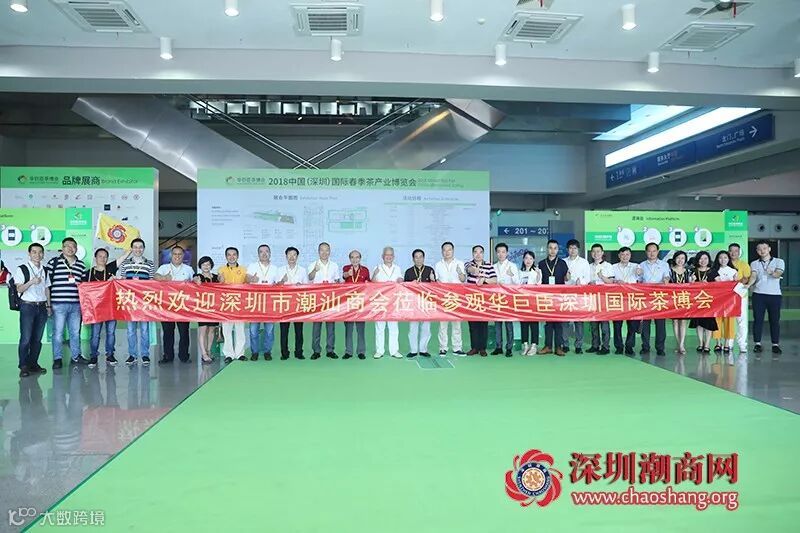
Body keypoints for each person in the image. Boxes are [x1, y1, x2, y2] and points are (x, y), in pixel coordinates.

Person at [45, 237, 88, 369]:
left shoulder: (81, 265)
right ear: (62, 248)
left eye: (73, 246)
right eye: (67, 246)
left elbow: (84, 287)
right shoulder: (54, 262)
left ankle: (76, 356)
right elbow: (47, 285)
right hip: (58, 304)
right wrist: (48, 305)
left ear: (76, 248)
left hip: (76, 305)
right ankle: (57, 358)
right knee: (58, 333)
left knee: (75, 333)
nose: (70, 248)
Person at [85, 247, 131, 367]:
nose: (102, 258)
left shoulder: (110, 269)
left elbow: (122, 258)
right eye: (100, 256)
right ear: (95, 258)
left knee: (111, 333)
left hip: (111, 307)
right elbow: (84, 291)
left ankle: (110, 355)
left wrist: (129, 249)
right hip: (96, 309)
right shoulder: (88, 273)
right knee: (95, 334)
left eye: (105, 256)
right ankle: (93, 356)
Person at [117, 238, 156, 365]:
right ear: (132, 249)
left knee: (144, 330)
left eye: (140, 247)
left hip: (144, 302)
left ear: (143, 249)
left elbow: (152, 282)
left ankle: (145, 355)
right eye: (135, 247)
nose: (138, 249)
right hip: (130, 302)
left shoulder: (149, 264)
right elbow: (123, 280)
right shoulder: (125, 263)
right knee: (130, 330)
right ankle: (132, 355)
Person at [153, 245, 195, 364]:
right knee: (167, 331)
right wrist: (163, 278)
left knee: (184, 332)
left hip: (183, 306)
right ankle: (168, 356)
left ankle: (184, 356)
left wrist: (192, 282)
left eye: (180, 254)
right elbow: (155, 277)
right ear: (171, 255)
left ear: (183, 255)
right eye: (175, 254)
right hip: (167, 306)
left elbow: (195, 283)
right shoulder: (164, 267)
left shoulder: (188, 269)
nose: (177, 256)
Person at [16, 243, 51, 378]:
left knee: (37, 339)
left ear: (43, 254)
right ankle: (23, 366)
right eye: (34, 252)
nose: (37, 255)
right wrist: (31, 282)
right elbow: (19, 289)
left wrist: (48, 306)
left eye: (40, 252)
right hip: (27, 307)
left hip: (41, 307)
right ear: (29, 254)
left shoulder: (45, 270)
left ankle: (33, 363)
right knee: (26, 338)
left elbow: (47, 289)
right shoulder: (22, 269)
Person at [749, 240, 785, 357]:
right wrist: (748, 285)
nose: (762, 251)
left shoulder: (779, 261)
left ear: (769, 249)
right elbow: (753, 276)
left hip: (774, 295)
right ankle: (757, 343)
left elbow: (778, 274)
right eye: (759, 249)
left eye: (764, 248)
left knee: (774, 320)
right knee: (758, 320)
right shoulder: (754, 263)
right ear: (757, 251)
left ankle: (775, 344)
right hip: (758, 295)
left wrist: (772, 273)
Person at [308, 242, 341, 360]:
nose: (324, 252)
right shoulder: (313, 264)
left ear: (329, 252)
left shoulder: (334, 266)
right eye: (322, 250)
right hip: (317, 300)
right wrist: (315, 270)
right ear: (318, 252)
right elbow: (310, 278)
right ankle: (316, 351)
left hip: (330, 299)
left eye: (327, 250)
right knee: (316, 326)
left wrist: (337, 284)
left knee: (331, 326)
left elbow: (337, 281)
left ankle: (330, 350)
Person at [638, 242, 671, 356]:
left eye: (654, 251)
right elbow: (638, 281)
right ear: (646, 252)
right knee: (645, 324)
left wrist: (666, 279)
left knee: (660, 324)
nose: (651, 253)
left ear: (658, 251)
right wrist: (638, 275)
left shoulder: (664, 264)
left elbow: (667, 276)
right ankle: (645, 346)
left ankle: (660, 348)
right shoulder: (641, 265)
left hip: (659, 296)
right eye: (649, 251)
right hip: (646, 297)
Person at [246, 244, 278, 361]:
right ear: (258, 254)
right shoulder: (252, 266)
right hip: (255, 302)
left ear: (270, 253)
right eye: (261, 252)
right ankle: (254, 352)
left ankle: (267, 351)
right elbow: (246, 279)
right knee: (253, 330)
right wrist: (251, 279)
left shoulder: (275, 268)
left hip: (270, 304)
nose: (264, 254)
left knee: (269, 330)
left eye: (266, 251)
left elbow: (279, 285)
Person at [434, 241, 467, 356]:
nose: (447, 252)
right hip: (443, 297)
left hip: (456, 297)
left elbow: (463, 280)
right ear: (442, 252)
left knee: (456, 324)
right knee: (442, 325)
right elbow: (436, 280)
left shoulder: (459, 263)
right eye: (444, 250)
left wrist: (460, 273)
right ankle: (443, 348)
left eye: (449, 250)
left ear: (453, 251)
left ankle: (457, 348)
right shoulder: (438, 265)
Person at [538, 239, 569, 356]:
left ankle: (558, 347)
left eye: (555, 248)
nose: (552, 250)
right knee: (548, 323)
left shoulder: (562, 263)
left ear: (558, 250)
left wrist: (569, 276)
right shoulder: (541, 263)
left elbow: (566, 279)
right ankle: (548, 346)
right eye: (550, 248)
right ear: (547, 249)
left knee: (558, 323)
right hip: (546, 297)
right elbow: (538, 280)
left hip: (559, 297)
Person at [465, 245, 497, 357]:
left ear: (483, 254)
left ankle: (482, 348)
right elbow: (470, 270)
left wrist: (484, 280)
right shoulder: (468, 264)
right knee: (473, 324)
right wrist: (476, 270)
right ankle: (474, 347)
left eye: (480, 252)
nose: (478, 254)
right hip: (471, 299)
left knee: (483, 325)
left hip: (484, 299)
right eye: (475, 252)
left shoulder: (489, 266)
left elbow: (494, 280)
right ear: (472, 254)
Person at [276, 246, 308, 360]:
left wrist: (301, 286)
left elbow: (307, 287)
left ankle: (299, 352)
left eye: (294, 255)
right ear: (286, 256)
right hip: (284, 304)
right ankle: (284, 353)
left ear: (297, 257)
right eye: (289, 254)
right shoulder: (280, 270)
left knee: (299, 331)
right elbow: (276, 286)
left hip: (298, 304)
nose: (292, 257)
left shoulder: (302, 270)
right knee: (284, 331)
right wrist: (282, 281)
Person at [372, 246, 403, 359]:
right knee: (380, 327)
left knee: (393, 327)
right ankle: (379, 351)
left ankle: (394, 351)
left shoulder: (397, 268)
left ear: (393, 257)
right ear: (382, 256)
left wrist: (400, 280)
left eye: (391, 255)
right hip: (380, 300)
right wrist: (374, 275)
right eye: (386, 255)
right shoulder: (377, 268)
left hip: (393, 301)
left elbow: (401, 281)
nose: (388, 257)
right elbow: (372, 283)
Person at [218, 246, 248, 363]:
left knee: (240, 329)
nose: (232, 257)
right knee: (227, 330)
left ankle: (240, 353)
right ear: (226, 257)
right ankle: (229, 354)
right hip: (226, 303)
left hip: (240, 303)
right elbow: (219, 283)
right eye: (229, 255)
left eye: (234, 254)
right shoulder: (221, 269)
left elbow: (247, 284)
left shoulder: (243, 269)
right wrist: (220, 279)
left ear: (237, 256)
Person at [405, 249, 436, 358]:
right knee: (413, 328)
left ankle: (423, 349)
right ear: (413, 259)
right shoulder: (409, 272)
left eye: (420, 257)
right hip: (413, 303)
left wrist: (433, 280)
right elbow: (404, 288)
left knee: (426, 327)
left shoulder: (429, 270)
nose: (418, 259)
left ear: (424, 258)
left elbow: (436, 288)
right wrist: (410, 284)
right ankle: (413, 350)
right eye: (416, 257)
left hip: (426, 302)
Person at [611, 246, 641, 356]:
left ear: (630, 255)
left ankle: (629, 346)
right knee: (617, 325)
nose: (625, 256)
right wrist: (615, 281)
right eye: (622, 254)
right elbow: (610, 280)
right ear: (619, 256)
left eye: (627, 254)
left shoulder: (636, 266)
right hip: (617, 298)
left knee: (632, 324)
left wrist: (639, 272)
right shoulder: (613, 267)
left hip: (631, 298)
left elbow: (640, 277)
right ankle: (619, 346)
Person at [493, 242, 520, 357]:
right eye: (499, 252)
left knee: (509, 325)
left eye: (503, 252)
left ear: (507, 253)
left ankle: (509, 348)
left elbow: (518, 283)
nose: (501, 254)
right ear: (496, 253)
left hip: (508, 298)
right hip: (496, 298)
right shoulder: (493, 267)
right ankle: (498, 347)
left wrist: (512, 275)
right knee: (497, 324)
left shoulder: (512, 266)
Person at [564, 239, 591, 354]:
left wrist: (581, 282)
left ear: (578, 249)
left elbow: (588, 278)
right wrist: (566, 279)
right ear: (567, 249)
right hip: (565, 295)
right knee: (564, 321)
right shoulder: (563, 262)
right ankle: (565, 344)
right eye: (570, 248)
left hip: (579, 295)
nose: (572, 250)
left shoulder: (584, 262)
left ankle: (578, 345)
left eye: (575, 248)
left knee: (579, 321)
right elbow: (561, 278)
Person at [342, 249, 370, 360]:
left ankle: (361, 351)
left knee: (360, 328)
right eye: (352, 257)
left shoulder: (365, 270)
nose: (355, 259)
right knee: (348, 329)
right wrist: (347, 274)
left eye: (357, 257)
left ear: (360, 258)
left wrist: (368, 282)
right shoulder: (346, 268)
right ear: (350, 259)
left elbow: (369, 283)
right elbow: (344, 276)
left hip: (361, 302)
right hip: (348, 302)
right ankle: (348, 351)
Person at [688, 251, 718, 354]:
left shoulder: (713, 271)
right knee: (699, 323)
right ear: (697, 260)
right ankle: (701, 343)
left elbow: (720, 284)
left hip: (709, 301)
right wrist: (692, 281)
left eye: (705, 258)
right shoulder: (693, 271)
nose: (703, 261)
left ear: (709, 260)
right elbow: (688, 286)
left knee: (708, 323)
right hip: (697, 301)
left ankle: (707, 344)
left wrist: (709, 284)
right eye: (700, 259)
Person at [588, 243, 613, 355]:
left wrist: (601, 277)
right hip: (592, 298)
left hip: (604, 298)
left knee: (604, 324)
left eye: (598, 251)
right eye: (594, 251)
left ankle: (606, 346)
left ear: (602, 253)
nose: (596, 253)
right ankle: (595, 345)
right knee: (593, 324)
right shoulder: (589, 266)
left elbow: (611, 282)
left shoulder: (608, 266)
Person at [193, 256, 219, 364]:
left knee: (212, 330)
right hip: (202, 307)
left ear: (211, 265)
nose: (206, 266)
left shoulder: (217, 277)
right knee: (203, 330)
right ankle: (203, 353)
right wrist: (196, 281)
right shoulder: (198, 276)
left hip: (214, 307)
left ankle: (208, 351)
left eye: (208, 264)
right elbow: (194, 281)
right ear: (200, 266)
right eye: (204, 264)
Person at [712, 250, 738, 354]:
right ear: (717, 259)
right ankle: (718, 343)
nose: (723, 260)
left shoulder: (733, 271)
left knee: (729, 321)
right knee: (717, 321)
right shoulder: (713, 271)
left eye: (725, 257)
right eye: (720, 258)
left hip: (729, 300)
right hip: (717, 299)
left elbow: (736, 285)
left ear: (728, 259)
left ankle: (727, 343)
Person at [668, 251, 693, 355]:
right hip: (673, 299)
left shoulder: (688, 272)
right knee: (675, 322)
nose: (680, 260)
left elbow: (691, 285)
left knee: (683, 322)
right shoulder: (669, 271)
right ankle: (678, 344)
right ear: (674, 259)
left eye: (682, 258)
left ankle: (681, 345)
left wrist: (692, 281)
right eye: (678, 258)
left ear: (685, 260)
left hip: (684, 299)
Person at [728, 243, 752, 353]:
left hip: (740, 295)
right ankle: (729, 344)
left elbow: (746, 278)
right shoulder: (725, 263)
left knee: (742, 321)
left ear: (739, 252)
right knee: (729, 320)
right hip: (727, 297)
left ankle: (742, 344)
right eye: (731, 251)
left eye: (736, 251)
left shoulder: (743, 264)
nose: (733, 253)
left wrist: (736, 283)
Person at [518, 250, 541, 356]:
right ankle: (525, 345)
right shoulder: (520, 272)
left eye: (531, 258)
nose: (528, 260)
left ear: (534, 260)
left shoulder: (537, 271)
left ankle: (534, 346)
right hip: (522, 301)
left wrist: (538, 274)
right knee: (524, 324)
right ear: (523, 259)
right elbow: (516, 285)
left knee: (534, 324)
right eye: (526, 258)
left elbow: (539, 284)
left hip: (533, 301)